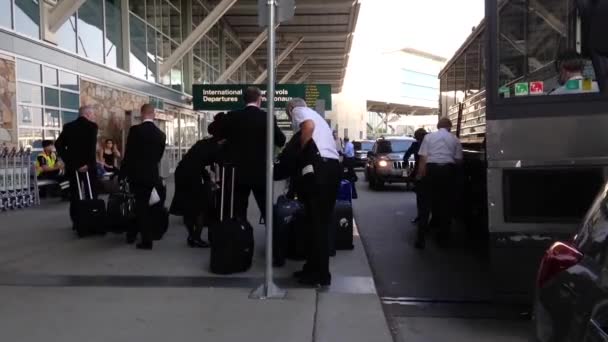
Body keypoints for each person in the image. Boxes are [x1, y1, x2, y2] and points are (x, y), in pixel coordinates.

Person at [286, 98, 341, 286]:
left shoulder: (299, 111)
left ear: (291, 109)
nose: (290, 118)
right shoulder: (318, 117)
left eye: (288, 114)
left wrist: (301, 153)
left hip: (321, 169)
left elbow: (307, 127)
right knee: (316, 221)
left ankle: (320, 274)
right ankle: (312, 267)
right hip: (330, 169)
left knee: (317, 223)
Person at [222, 86, 286, 221]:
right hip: (261, 172)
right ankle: (273, 239)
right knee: (266, 208)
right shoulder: (267, 117)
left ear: (244, 100)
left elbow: (223, 140)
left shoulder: (232, 116)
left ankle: (240, 237)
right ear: (259, 99)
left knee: (238, 209)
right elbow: (281, 140)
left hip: (238, 172)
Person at [170, 112, 226, 248]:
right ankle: (196, 237)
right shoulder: (217, 148)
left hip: (181, 172)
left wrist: (208, 179)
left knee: (187, 206)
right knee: (200, 207)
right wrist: (212, 182)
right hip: (191, 176)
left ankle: (192, 236)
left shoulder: (203, 143)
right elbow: (215, 166)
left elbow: (197, 162)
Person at [121, 104, 166, 250]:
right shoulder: (161, 134)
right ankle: (141, 233)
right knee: (147, 205)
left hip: (137, 176)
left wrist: (122, 174)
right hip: (152, 175)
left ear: (141, 114)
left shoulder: (135, 131)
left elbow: (128, 155)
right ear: (153, 114)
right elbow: (158, 156)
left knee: (139, 206)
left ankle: (145, 239)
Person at [415, 117, 462, 249]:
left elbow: (423, 159)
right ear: (450, 127)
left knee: (424, 206)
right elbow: (458, 160)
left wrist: (420, 176)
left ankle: (421, 240)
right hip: (447, 172)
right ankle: (443, 239)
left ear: (437, 126)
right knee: (445, 206)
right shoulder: (454, 139)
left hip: (430, 171)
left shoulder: (428, 138)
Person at [55, 105, 99, 229]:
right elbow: (91, 148)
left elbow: (58, 144)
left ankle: (76, 221)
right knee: (91, 192)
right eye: (93, 114)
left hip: (73, 167)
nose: (94, 116)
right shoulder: (92, 127)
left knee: (75, 194)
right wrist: (88, 164)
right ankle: (93, 219)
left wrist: (70, 162)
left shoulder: (68, 127)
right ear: (88, 114)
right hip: (88, 166)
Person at [403, 128, 427, 223]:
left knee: (420, 196)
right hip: (431, 171)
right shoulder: (431, 143)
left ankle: (420, 216)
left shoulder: (416, 144)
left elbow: (407, 155)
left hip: (419, 171)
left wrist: (406, 163)